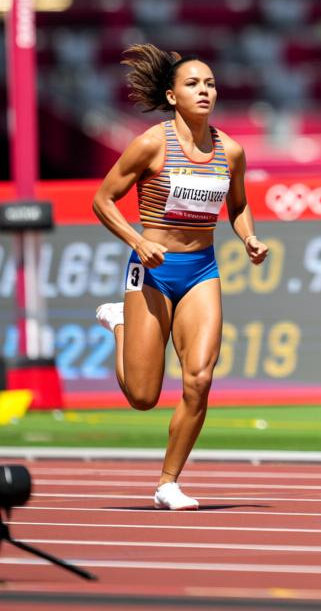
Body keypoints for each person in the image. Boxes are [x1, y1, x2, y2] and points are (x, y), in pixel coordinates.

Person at [92, 44, 268, 509]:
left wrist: (248, 237)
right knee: (144, 396)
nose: (204, 90)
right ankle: (119, 322)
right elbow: (103, 200)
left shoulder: (230, 150)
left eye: (209, 83)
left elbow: (240, 205)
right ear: (172, 96)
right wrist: (137, 241)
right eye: (193, 84)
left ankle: (168, 482)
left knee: (199, 379)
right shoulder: (152, 143)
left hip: (202, 271)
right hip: (152, 270)